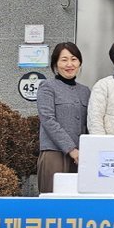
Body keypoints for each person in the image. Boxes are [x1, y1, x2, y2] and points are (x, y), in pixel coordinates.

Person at [36, 42, 90, 194]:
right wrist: (71, 149)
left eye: (74, 59)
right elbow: (48, 120)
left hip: (80, 157)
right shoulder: (47, 86)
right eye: (64, 60)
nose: (69, 64)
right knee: (53, 201)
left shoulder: (85, 91)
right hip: (54, 154)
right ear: (55, 64)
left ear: (79, 63)